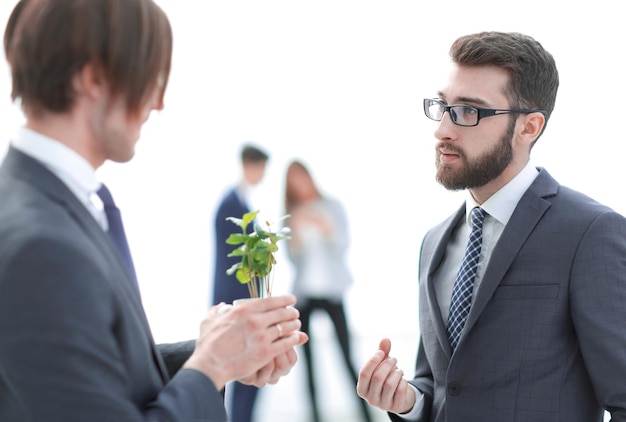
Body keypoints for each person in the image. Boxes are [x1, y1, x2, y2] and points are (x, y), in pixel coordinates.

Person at [0, 1, 307, 421]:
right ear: (94, 78)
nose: (158, 102)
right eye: (152, 77)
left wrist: (215, 353)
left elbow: (90, 380)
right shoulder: (39, 244)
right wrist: (210, 367)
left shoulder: (51, 204)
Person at [356, 31, 626, 422]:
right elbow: (440, 383)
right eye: (443, 106)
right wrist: (408, 402)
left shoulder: (590, 233)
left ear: (529, 127)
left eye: (469, 111)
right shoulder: (434, 243)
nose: (442, 130)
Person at [284, 160, 372, 422]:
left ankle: (366, 415)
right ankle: (314, 417)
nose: (299, 185)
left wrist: (325, 227)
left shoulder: (332, 207)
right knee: (308, 365)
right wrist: (297, 234)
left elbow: (342, 245)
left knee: (346, 356)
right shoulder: (292, 214)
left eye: (301, 178)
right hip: (304, 295)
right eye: (293, 182)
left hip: (333, 292)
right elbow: (293, 258)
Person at [211, 143, 269, 422]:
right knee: (243, 372)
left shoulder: (240, 202)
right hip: (233, 300)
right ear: (250, 164)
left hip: (237, 299)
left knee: (248, 373)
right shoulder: (231, 204)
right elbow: (232, 260)